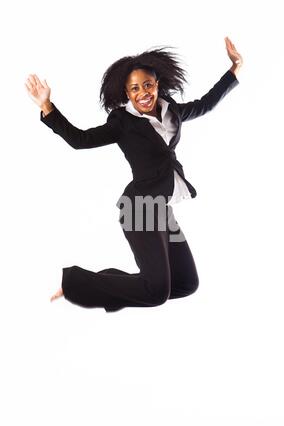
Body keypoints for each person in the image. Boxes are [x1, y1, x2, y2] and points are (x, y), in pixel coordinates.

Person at [25, 36, 243, 312]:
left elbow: (207, 103)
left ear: (157, 85)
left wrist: (235, 68)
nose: (143, 93)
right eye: (135, 88)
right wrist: (47, 106)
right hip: (138, 208)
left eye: (148, 85)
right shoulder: (122, 122)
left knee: (186, 283)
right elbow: (80, 140)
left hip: (161, 211)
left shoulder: (171, 111)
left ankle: (105, 285)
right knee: (155, 292)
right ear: (127, 93)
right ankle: (76, 282)